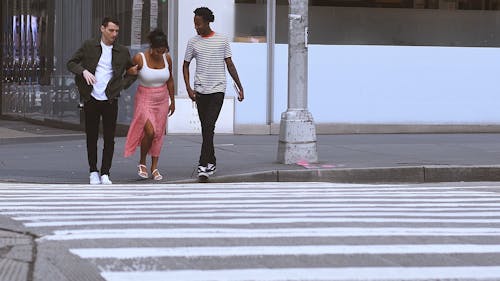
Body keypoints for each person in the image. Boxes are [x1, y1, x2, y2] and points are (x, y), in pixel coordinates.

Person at [67, 17, 137, 185]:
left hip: (110, 99)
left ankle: (105, 172)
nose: (114, 34)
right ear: (102, 29)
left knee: (109, 138)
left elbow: (132, 71)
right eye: (111, 30)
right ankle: (93, 171)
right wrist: (83, 71)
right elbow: (71, 63)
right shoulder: (89, 46)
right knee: (91, 136)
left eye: (117, 31)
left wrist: (121, 85)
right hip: (91, 98)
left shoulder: (122, 51)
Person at [183, 7, 244, 181]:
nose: (196, 27)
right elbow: (185, 65)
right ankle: (212, 160)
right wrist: (188, 88)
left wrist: (239, 86)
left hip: (218, 89)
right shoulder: (193, 42)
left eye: (199, 24)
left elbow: (230, 64)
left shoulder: (222, 40)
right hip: (200, 91)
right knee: (206, 129)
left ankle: (203, 164)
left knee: (209, 126)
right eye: (195, 24)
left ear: (208, 22)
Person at [124, 29, 175, 181]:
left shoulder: (167, 58)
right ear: (152, 47)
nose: (161, 54)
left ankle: (154, 167)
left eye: (163, 50)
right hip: (144, 97)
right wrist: (130, 71)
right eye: (158, 50)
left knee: (158, 134)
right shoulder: (140, 58)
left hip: (162, 99)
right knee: (150, 131)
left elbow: (170, 80)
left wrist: (173, 101)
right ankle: (142, 162)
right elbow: (126, 72)